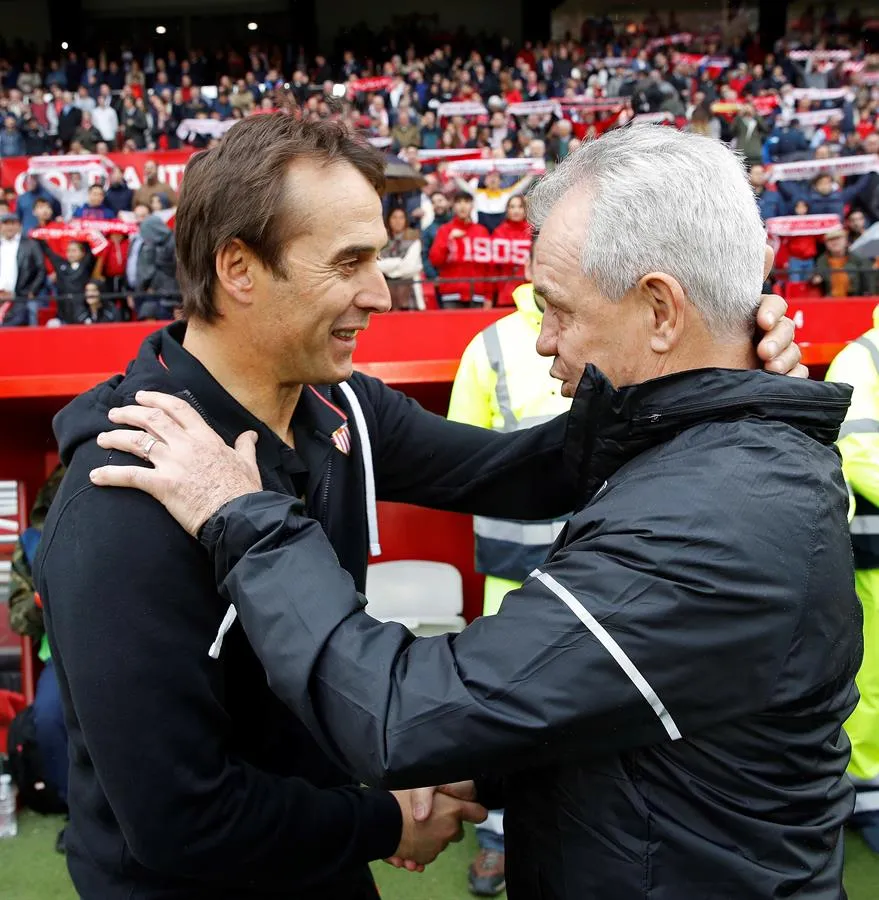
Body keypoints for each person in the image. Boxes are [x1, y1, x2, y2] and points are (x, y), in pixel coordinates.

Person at [91, 126, 852, 900]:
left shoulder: (339, 410)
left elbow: (510, 486)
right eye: (350, 262)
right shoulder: (132, 473)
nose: (381, 292)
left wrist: (713, 376)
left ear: (660, 309)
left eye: (556, 308)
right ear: (239, 269)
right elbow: (174, 815)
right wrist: (712, 387)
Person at [447, 247, 571, 896]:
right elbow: (459, 462)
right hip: (513, 576)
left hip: (600, 575)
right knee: (504, 703)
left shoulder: (609, 325)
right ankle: (497, 834)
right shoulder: (489, 345)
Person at [826, 311, 879, 855]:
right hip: (874, 552)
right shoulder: (862, 358)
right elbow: (860, 453)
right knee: (875, 676)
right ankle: (868, 797)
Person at [7, 465, 69, 853]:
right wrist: (40, 600)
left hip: (130, 648)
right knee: (49, 718)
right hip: (61, 656)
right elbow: (18, 618)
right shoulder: (31, 542)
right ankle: (78, 813)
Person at [429, 191, 492, 308]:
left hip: (477, 293)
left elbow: (488, 267)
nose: (463, 206)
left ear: (472, 206)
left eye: (466, 202)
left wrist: (488, 296)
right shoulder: (445, 230)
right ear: (453, 206)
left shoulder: (481, 231)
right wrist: (449, 241)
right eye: (458, 202)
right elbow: (435, 260)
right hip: (451, 293)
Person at [0, 212, 46, 327]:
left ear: (19, 226)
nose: (9, 227)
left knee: (24, 320)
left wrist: (32, 290)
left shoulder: (31, 244)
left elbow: (41, 269)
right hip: (1, 294)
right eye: (6, 223)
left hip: (22, 295)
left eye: (13, 223)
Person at [38, 238, 95, 324]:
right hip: (63, 315)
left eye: (74, 251)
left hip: (82, 315)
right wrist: (39, 236)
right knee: (52, 324)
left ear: (82, 253)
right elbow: (48, 252)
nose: (70, 254)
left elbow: (90, 248)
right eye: (68, 251)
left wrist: (84, 235)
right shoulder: (61, 264)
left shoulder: (85, 266)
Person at [377, 208, 423, 310]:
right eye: (394, 217)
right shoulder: (381, 240)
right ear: (388, 220)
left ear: (406, 220)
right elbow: (376, 266)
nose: (398, 221)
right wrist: (399, 263)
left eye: (401, 217)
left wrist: (388, 270)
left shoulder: (413, 237)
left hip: (409, 293)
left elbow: (409, 267)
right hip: (385, 292)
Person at [490, 195, 531, 306]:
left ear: (525, 209)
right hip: (505, 292)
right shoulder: (498, 232)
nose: (516, 210)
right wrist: (489, 296)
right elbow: (492, 268)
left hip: (529, 293)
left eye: (520, 206)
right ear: (507, 210)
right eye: (512, 207)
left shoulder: (533, 233)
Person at [810, 226, 876, 297]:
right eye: (831, 240)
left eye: (838, 239)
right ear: (826, 244)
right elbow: (814, 276)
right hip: (830, 301)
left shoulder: (859, 259)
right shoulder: (822, 260)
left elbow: (869, 281)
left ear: (846, 241)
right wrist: (815, 278)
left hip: (854, 300)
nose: (835, 242)